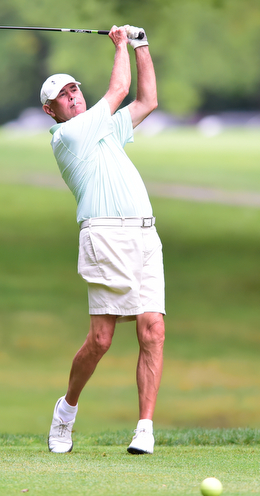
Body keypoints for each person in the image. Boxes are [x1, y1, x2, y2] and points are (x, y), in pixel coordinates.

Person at [40, 25, 165, 455]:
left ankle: (144, 428)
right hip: (104, 236)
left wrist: (142, 44)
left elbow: (146, 100)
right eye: (63, 95)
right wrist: (120, 45)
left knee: (153, 331)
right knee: (101, 341)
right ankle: (67, 410)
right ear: (50, 110)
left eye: (75, 89)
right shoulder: (68, 136)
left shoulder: (106, 127)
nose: (73, 97)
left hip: (145, 234)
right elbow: (120, 86)